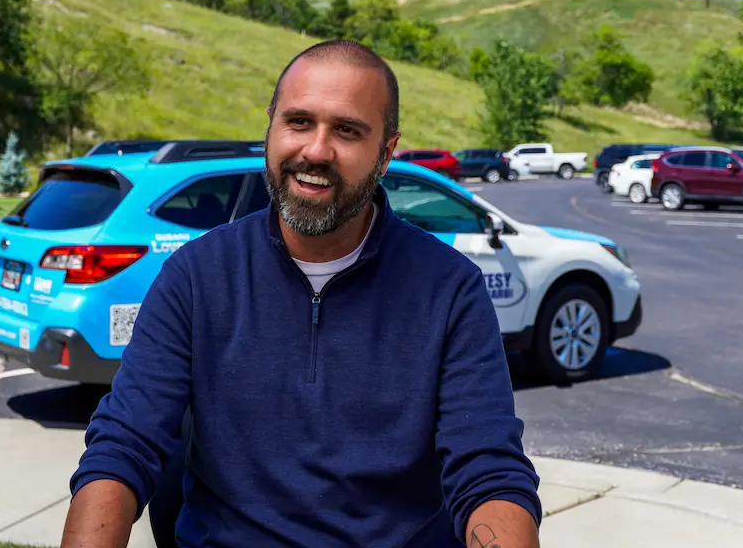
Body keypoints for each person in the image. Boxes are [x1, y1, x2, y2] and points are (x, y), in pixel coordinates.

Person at [61, 40, 542, 548]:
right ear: (270, 128)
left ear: (386, 154)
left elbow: (490, 472)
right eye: (298, 122)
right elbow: (123, 446)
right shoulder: (196, 276)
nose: (316, 150)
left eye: (347, 130)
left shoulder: (450, 292)